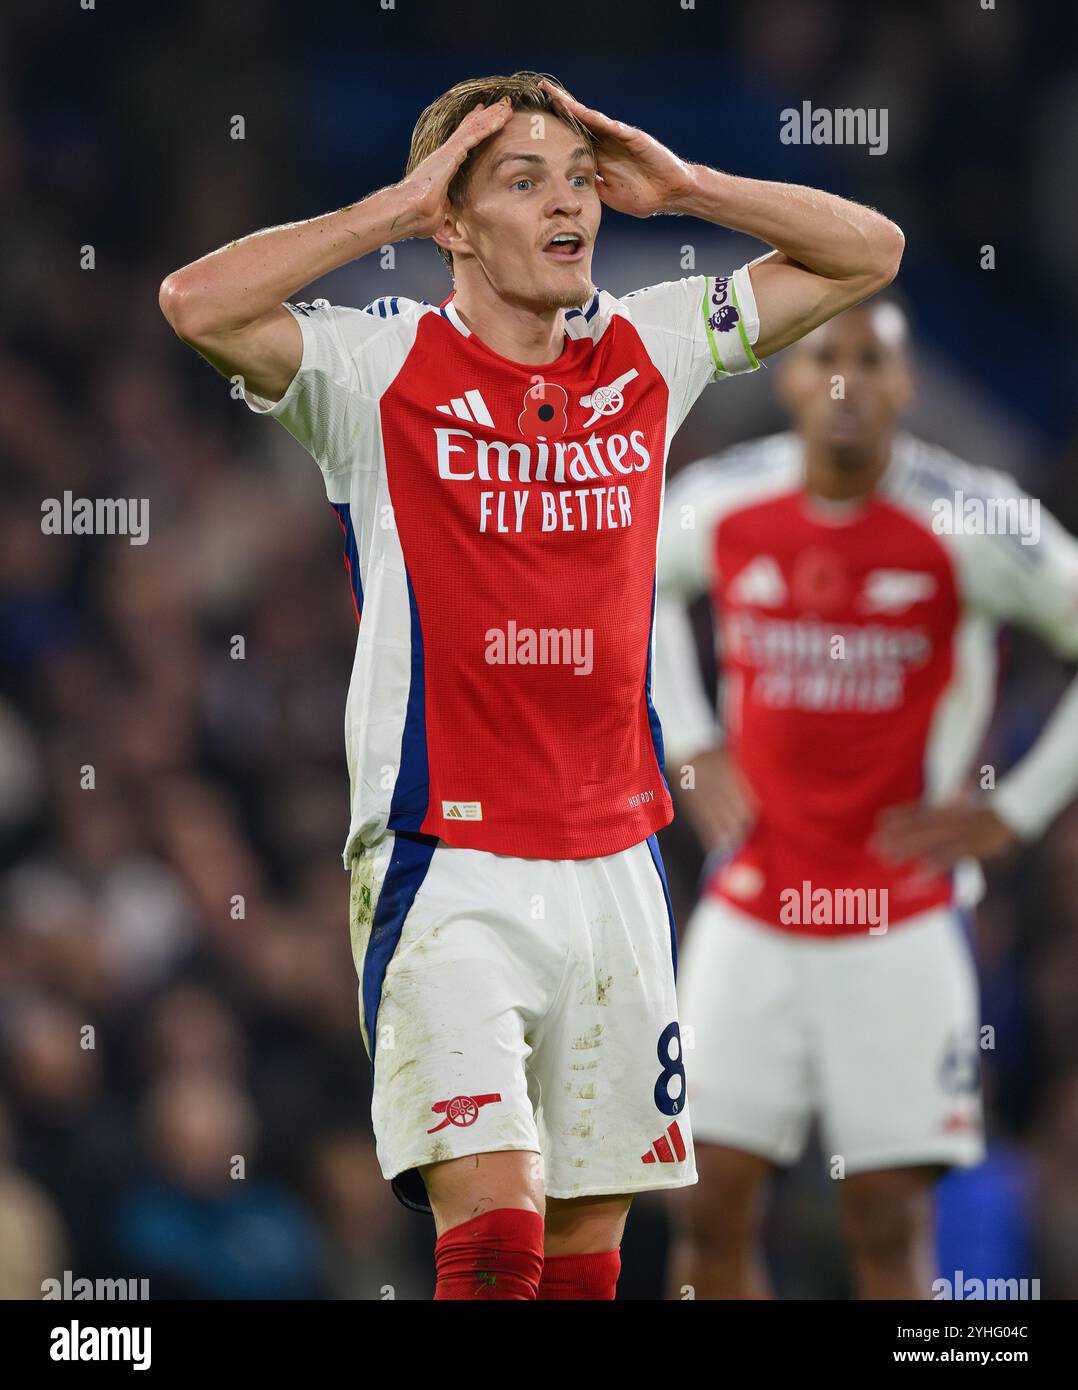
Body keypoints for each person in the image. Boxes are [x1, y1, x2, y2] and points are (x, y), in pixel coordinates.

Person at [159, 69, 902, 1301]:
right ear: (452, 221)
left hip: (615, 859)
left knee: (581, 1263)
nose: (569, 205)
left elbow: (866, 253)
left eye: (578, 178)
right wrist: (391, 209)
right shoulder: (371, 371)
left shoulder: (652, 345)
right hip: (445, 857)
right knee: (494, 1239)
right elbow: (195, 301)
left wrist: (687, 186)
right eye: (521, 181)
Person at [654, 299, 1078, 1298]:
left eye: (869, 360)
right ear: (789, 383)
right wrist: (689, 737)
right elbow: (627, 586)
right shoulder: (720, 500)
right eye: (823, 359)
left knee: (884, 1222)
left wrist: (1014, 810)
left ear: (904, 385)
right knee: (705, 1202)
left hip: (899, 917)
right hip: (751, 907)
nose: (844, 381)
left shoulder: (971, 520)